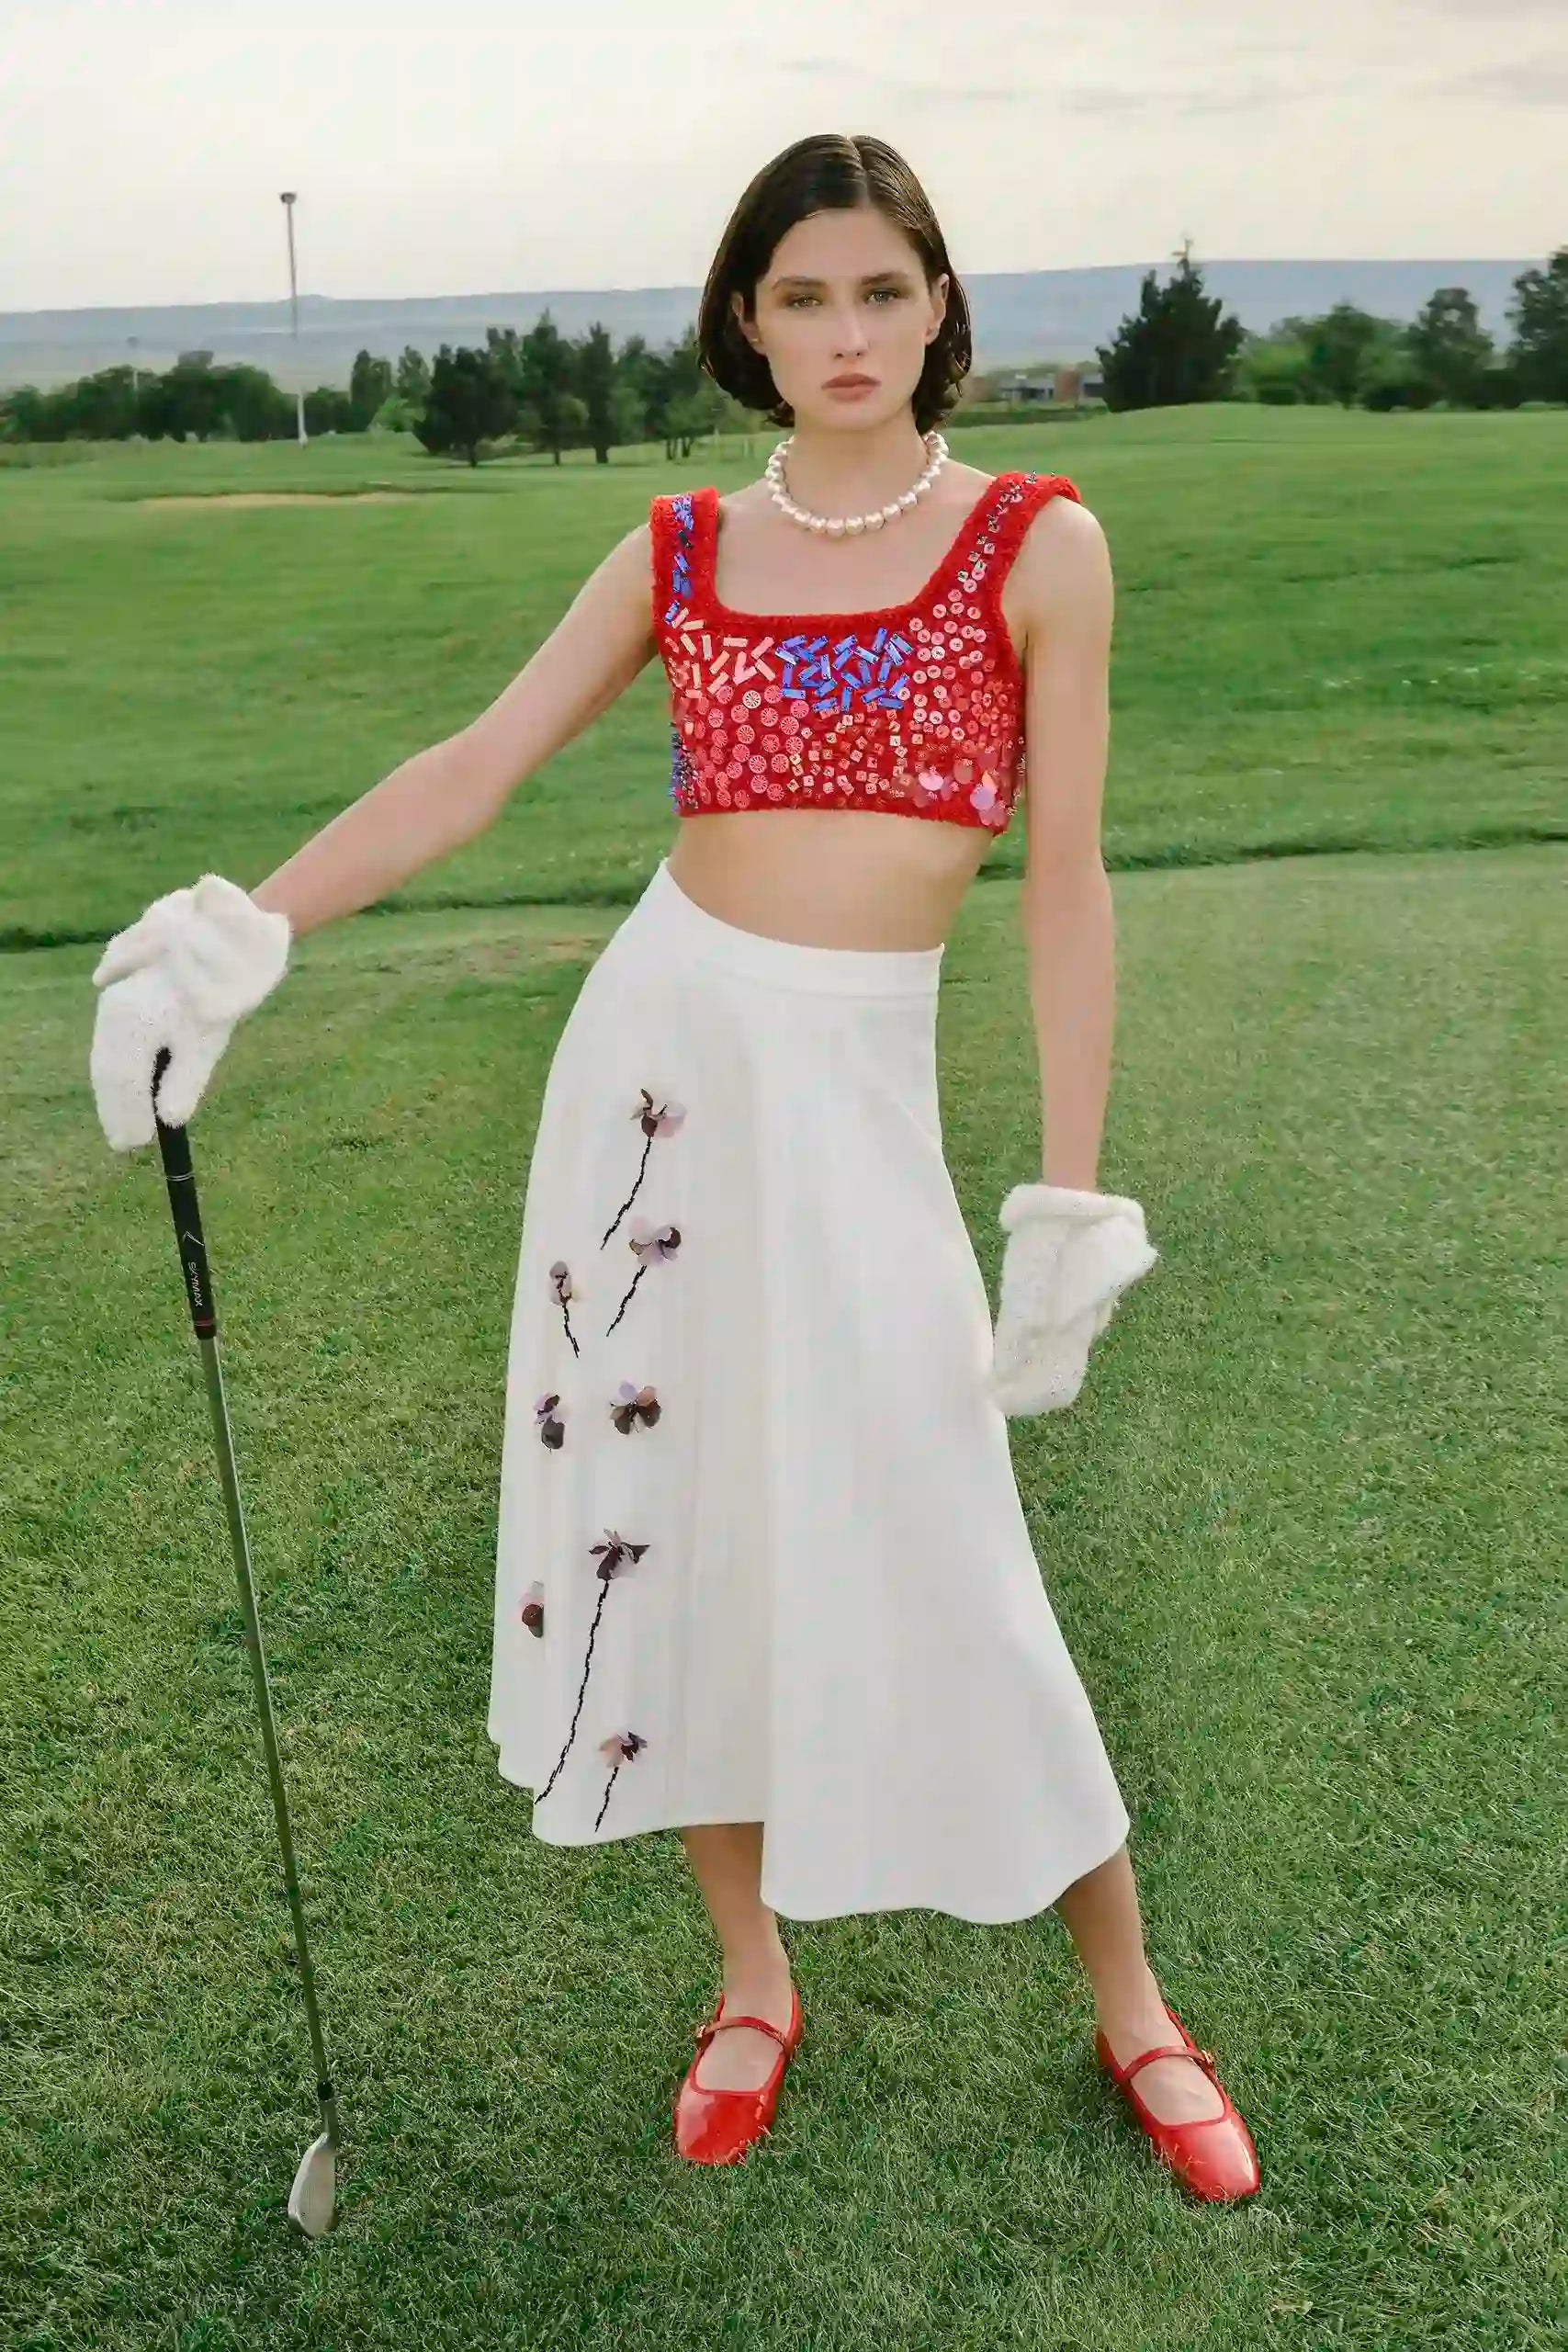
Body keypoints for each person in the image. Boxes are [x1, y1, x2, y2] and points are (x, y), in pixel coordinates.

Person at [88, 131, 1260, 2199]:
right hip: (656, 1075)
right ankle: (746, 1968)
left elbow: (1061, 886)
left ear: (937, 306)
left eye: (878, 293)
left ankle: (1134, 2002)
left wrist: (1063, 1194)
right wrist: (248, 926)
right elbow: (474, 761)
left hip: (863, 1095)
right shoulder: (679, 548)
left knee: (954, 1537)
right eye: (799, 297)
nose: (843, 335)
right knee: (682, 1516)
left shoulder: (1037, 543)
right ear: (743, 317)